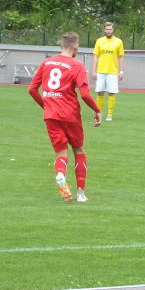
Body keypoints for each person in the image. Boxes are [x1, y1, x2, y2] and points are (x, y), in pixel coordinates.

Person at [29, 32, 102, 202]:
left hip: (51, 116)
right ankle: (81, 194)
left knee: (61, 153)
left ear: (61, 46)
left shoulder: (46, 63)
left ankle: (61, 174)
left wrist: (46, 105)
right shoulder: (77, 66)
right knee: (78, 150)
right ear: (76, 46)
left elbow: (32, 89)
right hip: (70, 115)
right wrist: (97, 109)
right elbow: (84, 94)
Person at [91, 22, 125, 121]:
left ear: (113, 30)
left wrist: (121, 71)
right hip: (101, 71)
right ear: (104, 30)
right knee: (99, 93)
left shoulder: (118, 41)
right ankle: (99, 113)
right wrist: (94, 71)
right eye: (107, 29)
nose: (108, 31)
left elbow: (121, 57)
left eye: (110, 29)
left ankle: (109, 114)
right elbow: (96, 56)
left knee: (111, 93)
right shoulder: (99, 41)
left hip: (113, 72)